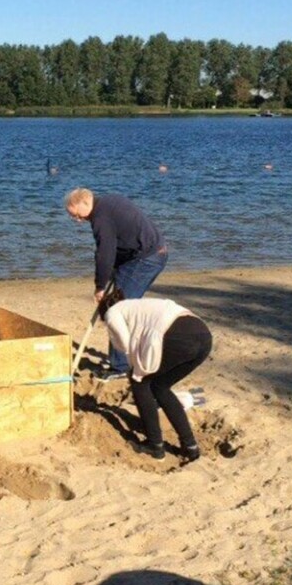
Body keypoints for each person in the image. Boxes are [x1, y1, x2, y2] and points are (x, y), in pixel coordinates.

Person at [65, 187, 168, 381]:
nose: (78, 220)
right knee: (122, 307)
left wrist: (100, 286)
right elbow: (123, 239)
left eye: (77, 215)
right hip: (149, 253)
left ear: (86, 202)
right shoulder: (108, 203)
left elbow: (105, 252)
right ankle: (124, 357)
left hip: (146, 258)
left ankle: (119, 366)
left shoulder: (100, 217)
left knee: (116, 310)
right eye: (73, 217)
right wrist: (114, 270)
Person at [100, 289, 212, 462]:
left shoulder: (112, 312)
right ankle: (190, 446)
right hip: (204, 336)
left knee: (140, 383)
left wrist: (134, 369)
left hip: (177, 337)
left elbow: (125, 343)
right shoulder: (135, 306)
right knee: (161, 387)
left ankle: (155, 445)